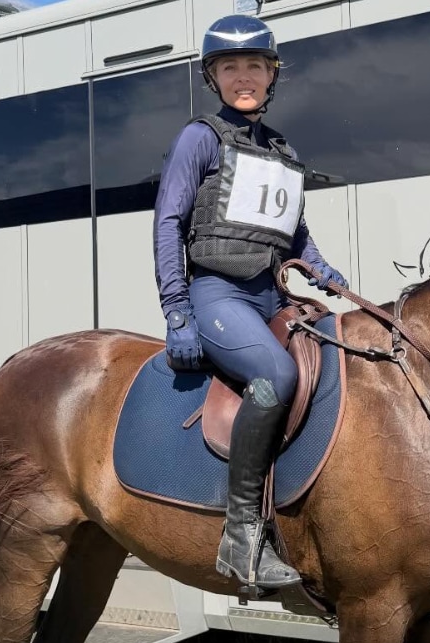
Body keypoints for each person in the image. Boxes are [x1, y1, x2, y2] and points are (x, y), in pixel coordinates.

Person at [153, 14, 346, 593]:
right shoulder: (200, 138)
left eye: (255, 66)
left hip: (273, 296)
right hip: (219, 294)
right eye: (231, 67)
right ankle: (240, 537)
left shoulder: (282, 151)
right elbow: (168, 222)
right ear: (213, 78)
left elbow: (295, 233)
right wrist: (177, 310)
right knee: (275, 375)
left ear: (271, 75)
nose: (244, 77)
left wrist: (323, 270)